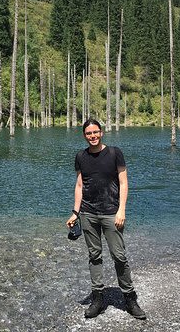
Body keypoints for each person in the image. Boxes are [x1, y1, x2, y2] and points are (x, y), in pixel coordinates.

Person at [66, 118, 146, 320]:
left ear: (101, 133)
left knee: (119, 255)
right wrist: (75, 213)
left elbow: (124, 182)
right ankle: (98, 298)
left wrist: (122, 211)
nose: (92, 136)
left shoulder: (114, 153)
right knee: (94, 255)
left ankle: (129, 297)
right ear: (84, 135)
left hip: (112, 212)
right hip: (88, 213)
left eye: (95, 132)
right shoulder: (80, 156)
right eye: (88, 133)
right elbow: (79, 186)